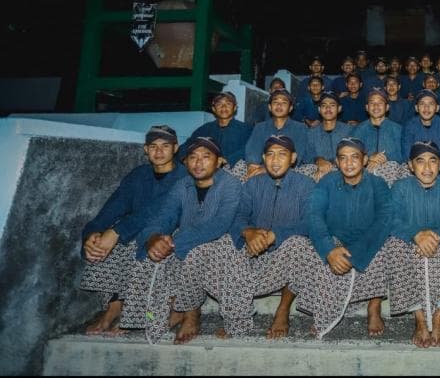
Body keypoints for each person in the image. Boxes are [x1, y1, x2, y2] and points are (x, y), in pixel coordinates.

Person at [122, 137, 243, 344]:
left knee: (194, 254)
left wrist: (176, 242)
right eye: (192, 157)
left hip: (220, 243)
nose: (198, 163)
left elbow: (220, 224)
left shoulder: (230, 184)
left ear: (219, 161)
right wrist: (152, 239)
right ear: (185, 162)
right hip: (184, 239)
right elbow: (163, 217)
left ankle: (191, 312)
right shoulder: (182, 185)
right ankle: (154, 314)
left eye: (206, 157)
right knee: (148, 253)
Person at [80, 125, 187, 335]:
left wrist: (118, 231)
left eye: (165, 146)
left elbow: (159, 211)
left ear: (175, 148)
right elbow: (114, 206)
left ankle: (133, 317)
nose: (159, 151)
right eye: (153, 146)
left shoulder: (184, 177)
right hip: (133, 230)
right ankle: (113, 307)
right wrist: (92, 233)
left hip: (170, 232)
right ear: (146, 150)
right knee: (104, 244)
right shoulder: (138, 175)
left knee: (149, 247)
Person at [293, 138, 393, 338]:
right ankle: (326, 308)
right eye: (343, 158)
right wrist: (329, 250)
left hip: (367, 241)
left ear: (365, 160)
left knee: (389, 244)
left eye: (354, 157)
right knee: (310, 247)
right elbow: (314, 215)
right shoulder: (327, 182)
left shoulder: (378, 184)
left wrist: (355, 254)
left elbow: (384, 219)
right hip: (336, 240)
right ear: (337, 162)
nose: (349, 163)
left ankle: (374, 306)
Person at [386, 141, 440, 348]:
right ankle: (419, 319)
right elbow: (390, 218)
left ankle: (439, 316)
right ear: (410, 165)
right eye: (420, 161)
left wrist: (438, 236)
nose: (427, 168)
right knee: (393, 245)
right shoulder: (400, 188)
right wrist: (415, 235)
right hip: (411, 244)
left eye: (432, 161)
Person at [230, 134, 316, 338]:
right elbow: (238, 215)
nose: (275, 160)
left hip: (286, 255)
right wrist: (248, 232)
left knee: (299, 243)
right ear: (263, 157)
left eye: (282, 154)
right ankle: (235, 314)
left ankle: (283, 308)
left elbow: (310, 222)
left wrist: (276, 235)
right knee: (224, 242)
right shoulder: (253, 184)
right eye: (270, 155)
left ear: (293, 158)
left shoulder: (306, 184)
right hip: (255, 251)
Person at [180, 92, 253, 180]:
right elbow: (187, 145)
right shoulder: (205, 129)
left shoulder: (246, 128)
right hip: (207, 170)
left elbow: (251, 148)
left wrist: (227, 160)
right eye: (219, 104)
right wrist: (185, 158)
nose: (224, 107)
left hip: (233, 170)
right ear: (213, 109)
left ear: (235, 108)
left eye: (228, 104)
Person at [244, 89, 309, 179]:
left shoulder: (301, 128)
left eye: (284, 103)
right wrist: (252, 166)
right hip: (261, 167)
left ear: (290, 108)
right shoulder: (260, 127)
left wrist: (267, 169)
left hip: (290, 169)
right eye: (275, 102)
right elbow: (252, 150)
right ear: (270, 107)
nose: (279, 105)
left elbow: (297, 155)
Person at [352, 88, 409, 186]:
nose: (376, 106)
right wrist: (370, 157)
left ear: (387, 107)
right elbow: (352, 152)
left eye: (380, 103)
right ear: (366, 107)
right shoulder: (359, 129)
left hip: (392, 171)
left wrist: (385, 158)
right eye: (372, 103)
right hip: (367, 168)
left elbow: (405, 155)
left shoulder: (397, 129)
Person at [299, 91, 353, 181]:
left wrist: (332, 163)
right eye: (324, 105)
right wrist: (318, 160)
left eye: (332, 105)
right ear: (319, 109)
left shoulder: (349, 131)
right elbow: (306, 156)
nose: (328, 108)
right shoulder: (311, 133)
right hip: (319, 172)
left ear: (339, 108)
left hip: (343, 172)